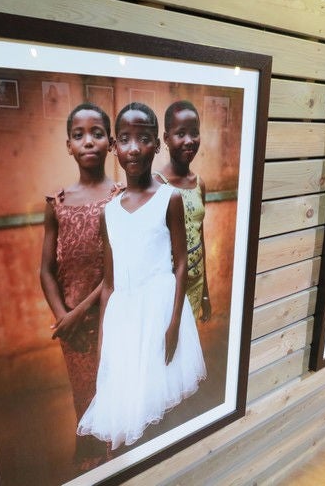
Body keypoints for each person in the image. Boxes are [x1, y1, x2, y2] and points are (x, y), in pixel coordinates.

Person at [77, 102, 206, 450]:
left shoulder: (169, 198)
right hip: (125, 319)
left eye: (144, 139)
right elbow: (109, 284)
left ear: (157, 145)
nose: (134, 148)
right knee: (130, 401)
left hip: (160, 312)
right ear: (114, 147)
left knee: (163, 402)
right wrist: (103, 340)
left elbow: (181, 263)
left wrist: (174, 323)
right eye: (125, 139)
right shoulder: (109, 212)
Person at [40, 102, 118, 470]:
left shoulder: (120, 198)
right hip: (72, 327)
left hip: (111, 317)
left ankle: (120, 463)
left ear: (110, 143)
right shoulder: (57, 202)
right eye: (79, 135)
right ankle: (93, 467)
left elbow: (119, 270)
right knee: (84, 396)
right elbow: (46, 270)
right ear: (68, 145)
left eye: (97, 134)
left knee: (113, 392)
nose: (88, 141)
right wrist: (62, 316)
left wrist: (80, 312)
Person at [155, 100, 211, 322]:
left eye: (194, 133)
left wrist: (205, 293)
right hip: (167, 291)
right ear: (166, 138)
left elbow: (200, 237)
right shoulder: (156, 185)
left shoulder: (199, 184)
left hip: (195, 284)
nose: (189, 141)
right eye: (180, 134)